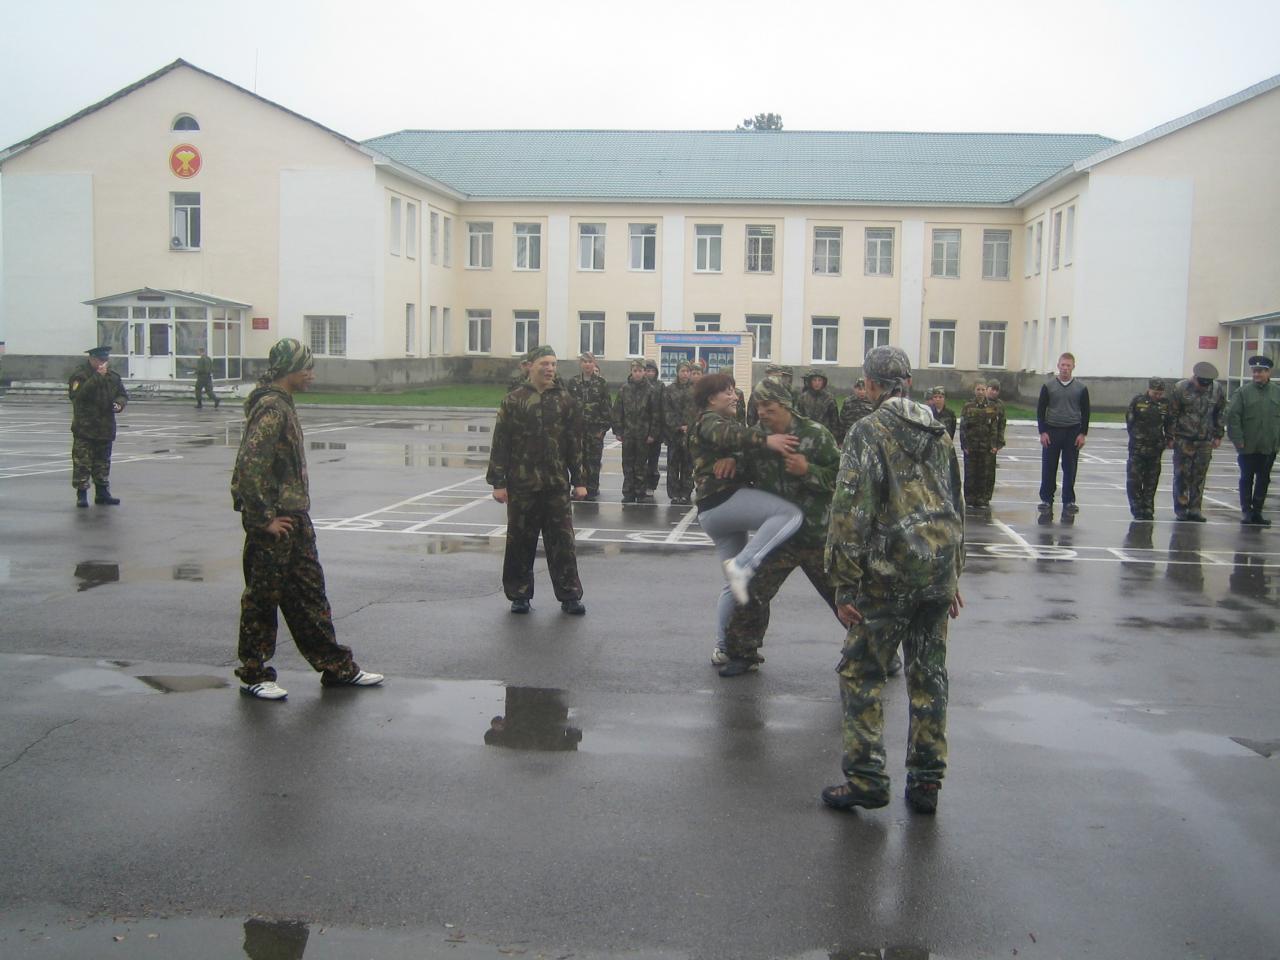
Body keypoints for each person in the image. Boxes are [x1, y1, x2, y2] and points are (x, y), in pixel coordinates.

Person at [823, 345, 964, 815]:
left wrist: (843, 583)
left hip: (890, 574)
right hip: (937, 570)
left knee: (861, 672)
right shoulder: (940, 431)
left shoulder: (868, 430)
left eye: (864, 383)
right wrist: (953, 571)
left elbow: (850, 510)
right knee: (929, 674)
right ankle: (926, 782)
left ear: (873, 385)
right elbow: (954, 502)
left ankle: (866, 778)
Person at [230, 338, 384, 700]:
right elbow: (249, 467)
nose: (311, 374)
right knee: (262, 600)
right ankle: (254, 672)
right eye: (307, 368)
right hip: (276, 522)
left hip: (295, 518)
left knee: (310, 595)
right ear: (289, 370)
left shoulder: (282, 403)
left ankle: (336, 667)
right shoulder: (271, 408)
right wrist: (263, 518)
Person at [718, 380, 903, 679]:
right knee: (752, 591)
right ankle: (742, 653)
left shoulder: (815, 435)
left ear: (786, 406)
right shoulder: (758, 437)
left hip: (819, 536)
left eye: (769, 407)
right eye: (759, 407)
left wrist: (809, 471)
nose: (762, 413)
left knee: (844, 599)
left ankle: (880, 652)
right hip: (779, 537)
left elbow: (843, 478)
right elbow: (744, 466)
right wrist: (730, 460)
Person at [689, 372, 802, 660]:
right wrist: (769, 440)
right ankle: (744, 563)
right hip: (722, 502)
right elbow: (727, 435)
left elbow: (738, 446)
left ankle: (723, 647)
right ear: (711, 398)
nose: (735, 395)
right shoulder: (708, 420)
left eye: (735, 390)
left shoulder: (726, 423)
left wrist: (736, 458)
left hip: (714, 512)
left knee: (733, 587)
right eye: (727, 391)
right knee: (789, 514)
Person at [487, 345, 587, 615]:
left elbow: (574, 443)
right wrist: (498, 482)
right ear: (529, 366)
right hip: (522, 484)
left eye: (553, 364)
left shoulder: (565, 400)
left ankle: (569, 596)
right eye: (544, 363)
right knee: (520, 540)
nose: (549, 368)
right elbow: (501, 442)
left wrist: (579, 479)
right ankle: (519, 595)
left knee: (562, 541)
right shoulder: (514, 400)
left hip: (555, 484)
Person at [68, 345, 128, 508]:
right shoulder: (80, 375)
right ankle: (82, 495)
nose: (103, 363)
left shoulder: (113, 377)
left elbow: (122, 394)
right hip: (85, 428)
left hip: (105, 427)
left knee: (102, 462)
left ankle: (102, 493)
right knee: (82, 463)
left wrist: (119, 404)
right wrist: (97, 377)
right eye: (100, 360)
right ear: (92, 359)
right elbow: (79, 397)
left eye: (105, 360)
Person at [1167, 361, 1226, 522]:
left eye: (1206, 385)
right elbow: (1172, 413)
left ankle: (1195, 509)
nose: (1203, 388)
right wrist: (1170, 437)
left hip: (1204, 440)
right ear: (1194, 378)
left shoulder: (1217, 389)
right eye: (1201, 384)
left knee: (1199, 476)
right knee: (1182, 475)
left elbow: (1220, 412)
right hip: (1183, 438)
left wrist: (1218, 435)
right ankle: (1181, 508)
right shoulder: (1180, 388)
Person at [1226, 355, 1280, 526]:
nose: (1256, 374)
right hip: (1248, 445)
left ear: (1268, 372)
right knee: (1246, 478)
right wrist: (1238, 439)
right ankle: (1247, 511)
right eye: (1254, 371)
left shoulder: (1277, 392)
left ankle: (1257, 511)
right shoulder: (1243, 392)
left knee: (1264, 479)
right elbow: (1232, 416)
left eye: (1260, 371)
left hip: (1269, 445)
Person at [1036, 353, 1090, 515]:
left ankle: (1069, 501)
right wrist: (1042, 432)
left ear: (1074, 366)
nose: (1065, 368)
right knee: (1049, 467)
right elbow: (1040, 410)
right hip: (1052, 430)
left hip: (1072, 431)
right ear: (1058, 366)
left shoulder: (1081, 388)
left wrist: (1082, 434)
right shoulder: (1048, 386)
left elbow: (1086, 412)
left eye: (1068, 365)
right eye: (1063, 365)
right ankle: (1046, 499)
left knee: (1070, 468)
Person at [1125, 378, 1171, 521]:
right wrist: (1136, 437)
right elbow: (1130, 421)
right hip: (1138, 449)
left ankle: (1148, 507)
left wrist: (1168, 439)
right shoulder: (1138, 401)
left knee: (1151, 481)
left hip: (1155, 449)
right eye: (1155, 393)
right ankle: (1137, 507)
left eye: (1160, 393)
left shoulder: (1165, 404)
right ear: (1149, 389)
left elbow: (1169, 424)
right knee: (1135, 480)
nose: (1157, 396)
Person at [566, 352, 611, 502]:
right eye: (584, 362)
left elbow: (606, 408)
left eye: (590, 362)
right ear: (580, 364)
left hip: (594, 430)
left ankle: (592, 488)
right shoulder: (573, 383)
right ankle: (579, 486)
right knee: (577, 460)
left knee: (593, 460)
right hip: (577, 430)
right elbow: (567, 406)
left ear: (594, 364)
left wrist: (603, 429)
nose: (587, 365)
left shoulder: (601, 383)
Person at [613, 360, 657, 503]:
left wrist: (652, 433)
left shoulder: (650, 390)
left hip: (643, 434)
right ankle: (628, 492)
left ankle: (640, 491)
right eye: (635, 370)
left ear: (644, 372)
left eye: (640, 370)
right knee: (627, 463)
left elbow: (655, 414)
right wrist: (618, 430)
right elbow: (618, 411)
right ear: (631, 372)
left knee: (641, 464)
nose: (637, 373)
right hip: (628, 433)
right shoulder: (624, 389)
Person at [959, 382, 1000, 508]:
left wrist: (994, 444)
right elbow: (963, 427)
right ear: (974, 390)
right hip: (971, 446)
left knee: (984, 474)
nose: (980, 392)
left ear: (985, 390)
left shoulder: (992, 407)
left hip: (986, 446)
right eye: (978, 389)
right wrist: (964, 445)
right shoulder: (968, 406)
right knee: (970, 473)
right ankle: (970, 499)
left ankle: (982, 499)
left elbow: (994, 427)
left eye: (982, 389)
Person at [662, 361, 696, 504]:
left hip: (690, 434)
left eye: (687, 371)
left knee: (688, 465)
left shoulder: (695, 390)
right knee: (673, 465)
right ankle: (674, 493)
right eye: (682, 371)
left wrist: (690, 426)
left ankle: (686, 493)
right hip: (674, 434)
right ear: (677, 372)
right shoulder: (669, 390)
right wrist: (677, 426)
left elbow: (699, 411)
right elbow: (666, 411)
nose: (685, 374)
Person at [643, 359, 665, 495]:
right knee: (638, 461)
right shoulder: (638, 385)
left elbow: (662, 409)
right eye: (647, 370)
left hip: (655, 430)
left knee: (653, 460)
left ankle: (651, 484)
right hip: (639, 430)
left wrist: (656, 432)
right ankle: (639, 485)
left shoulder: (660, 386)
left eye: (652, 371)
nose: (649, 373)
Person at [797, 369, 840, 435]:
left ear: (823, 382)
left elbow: (834, 421)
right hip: (807, 434)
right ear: (810, 381)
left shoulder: (829, 398)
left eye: (819, 380)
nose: (817, 383)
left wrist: (835, 437)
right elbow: (798, 418)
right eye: (814, 380)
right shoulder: (803, 398)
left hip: (824, 435)